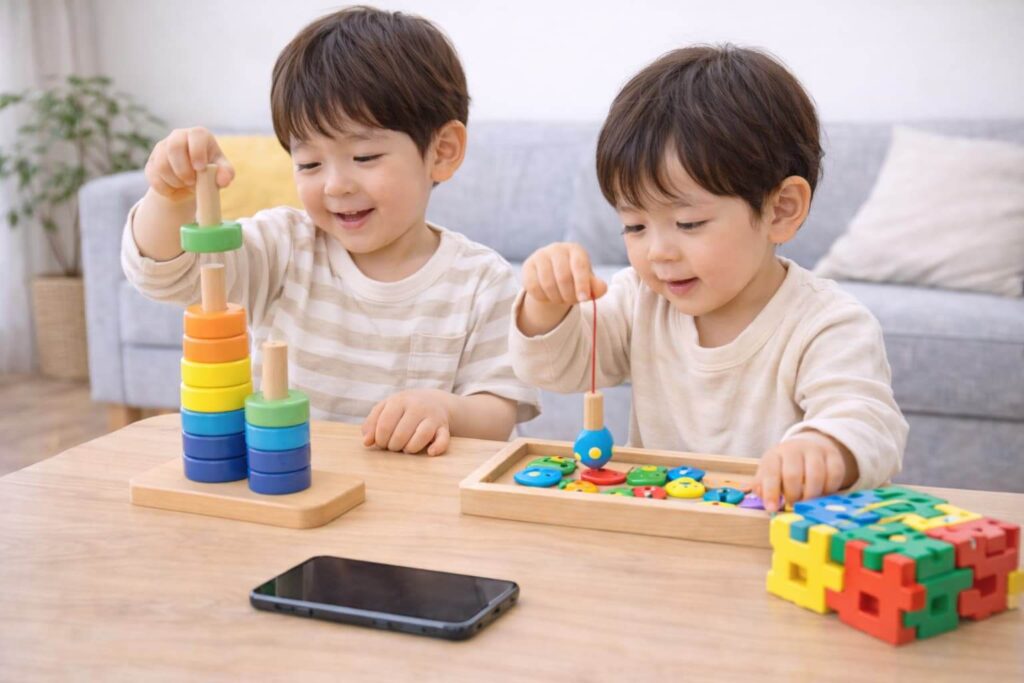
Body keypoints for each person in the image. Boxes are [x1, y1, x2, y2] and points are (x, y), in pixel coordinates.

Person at [123, 6, 539, 456]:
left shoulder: (481, 280)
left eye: (364, 157)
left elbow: (499, 411)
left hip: (419, 508)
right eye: (309, 164)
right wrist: (170, 198)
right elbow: (165, 274)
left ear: (442, 151)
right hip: (290, 491)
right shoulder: (283, 247)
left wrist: (445, 410)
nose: (336, 184)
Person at [510, 45, 907, 511]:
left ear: (781, 210)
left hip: (779, 540)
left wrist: (821, 446)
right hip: (666, 532)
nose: (658, 251)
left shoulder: (828, 324)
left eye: (689, 224)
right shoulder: (641, 299)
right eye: (635, 226)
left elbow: (866, 420)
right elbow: (559, 368)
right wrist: (545, 302)